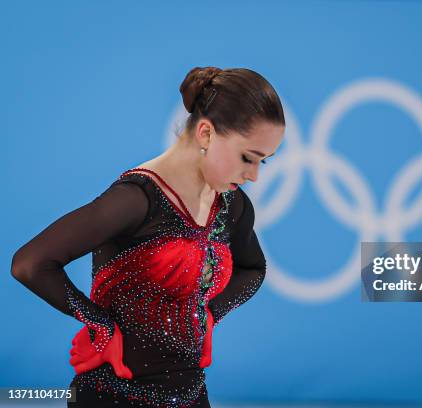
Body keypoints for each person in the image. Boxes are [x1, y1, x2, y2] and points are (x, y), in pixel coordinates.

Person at [10, 66, 285, 407]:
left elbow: (253, 270)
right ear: (206, 133)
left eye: (265, 162)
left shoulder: (232, 205)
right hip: (112, 395)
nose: (255, 176)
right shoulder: (136, 199)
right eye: (248, 158)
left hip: (191, 396)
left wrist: (210, 313)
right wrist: (102, 326)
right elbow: (30, 263)